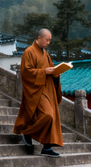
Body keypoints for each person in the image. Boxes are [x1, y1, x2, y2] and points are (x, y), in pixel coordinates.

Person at [13, 29, 63, 158]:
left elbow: (50, 69)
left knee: (51, 117)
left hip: (48, 89)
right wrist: (44, 72)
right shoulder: (29, 51)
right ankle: (28, 132)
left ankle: (47, 147)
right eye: (47, 40)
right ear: (39, 38)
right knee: (48, 115)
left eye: (50, 40)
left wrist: (56, 72)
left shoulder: (45, 54)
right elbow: (26, 72)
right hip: (36, 89)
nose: (48, 42)